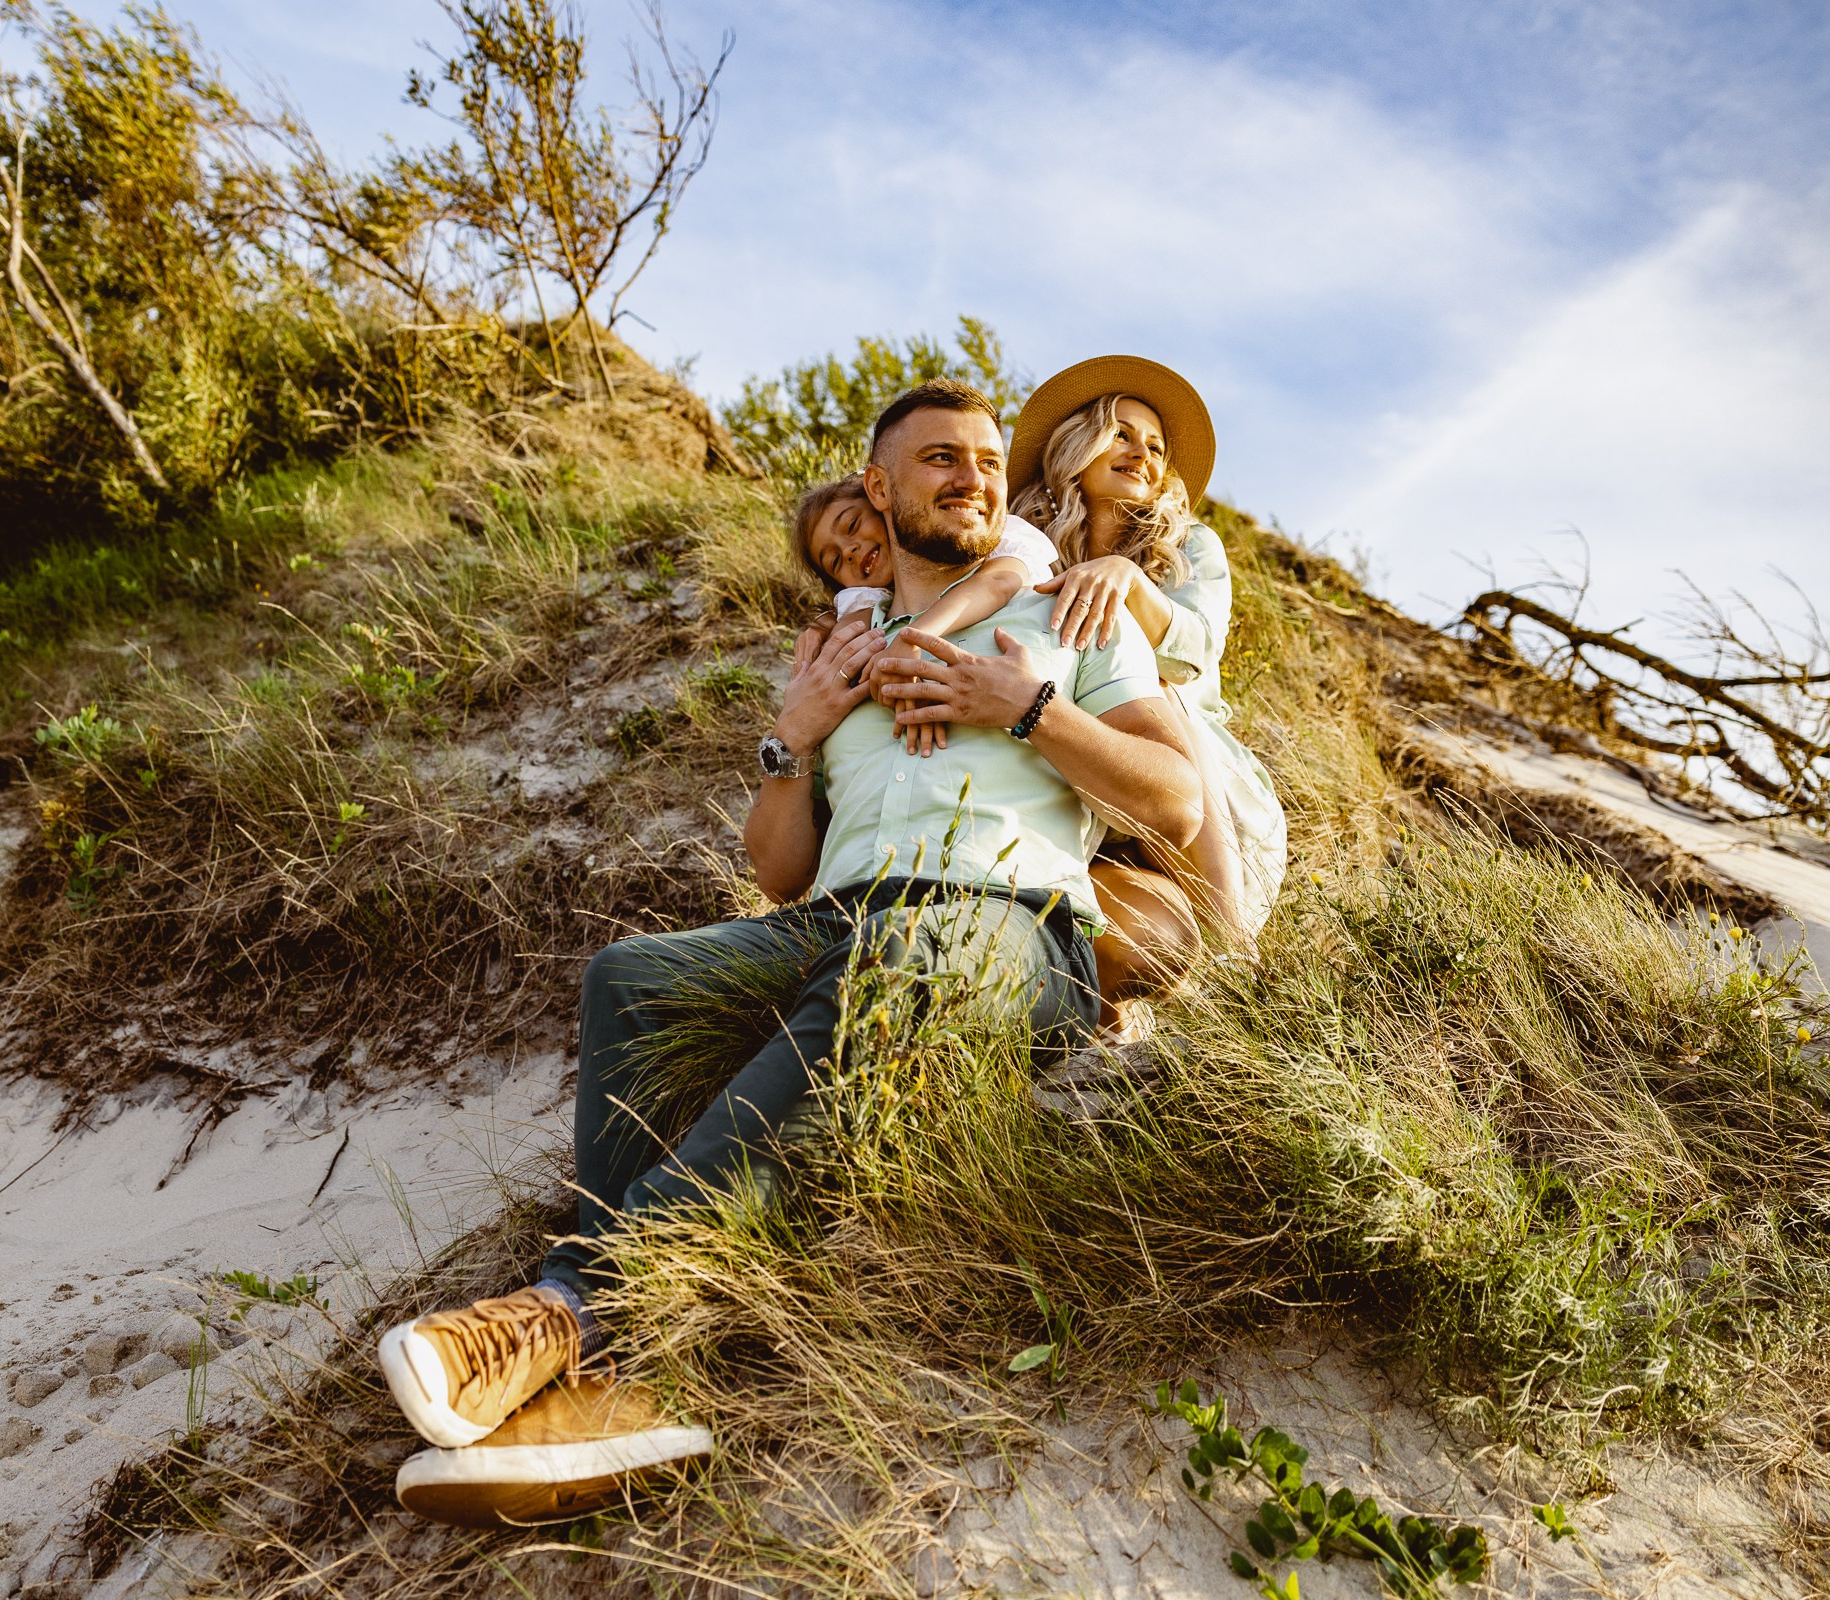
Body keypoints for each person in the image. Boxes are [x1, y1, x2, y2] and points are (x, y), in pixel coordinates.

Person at [378, 379, 1204, 1525]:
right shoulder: (841, 650)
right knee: (634, 978)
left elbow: (1176, 802)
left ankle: (577, 1310)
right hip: (835, 916)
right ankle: (630, 1384)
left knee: (910, 953)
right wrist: (793, 738)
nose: (971, 476)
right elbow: (779, 870)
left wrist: (1025, 708)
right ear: (878, 486)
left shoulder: (1066, 612)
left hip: (1015, 925)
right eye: (939, 458)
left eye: (984, 458)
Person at [1005, 357, 1288, 1029]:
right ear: (1076, 447)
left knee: (1154, 685)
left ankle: (1234, 953)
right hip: (1073, 773)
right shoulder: (1022, 545)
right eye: (1121, 434)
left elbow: (1193, 653)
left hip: (1191, 790)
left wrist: (1125, 579)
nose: (1142, 454)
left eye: (1156, 448)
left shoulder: (1192, 549)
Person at [792, 478, 1057, 755]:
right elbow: (848, 638)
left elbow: (997, 582)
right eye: (834, 561)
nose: (847, 551)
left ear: (885, 504)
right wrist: (823, 627)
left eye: (852, 525)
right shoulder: (869, 599)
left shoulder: (992, 539)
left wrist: (913, 638)